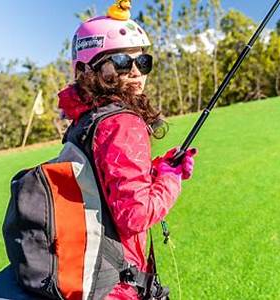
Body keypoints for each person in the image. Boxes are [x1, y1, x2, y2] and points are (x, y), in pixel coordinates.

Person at [57, 2, 198, 299]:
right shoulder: (121, 122)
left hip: (89, 272)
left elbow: (103, 184)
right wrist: (171, 179)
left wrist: (158, 168)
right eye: (120, 62)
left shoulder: (85, 119)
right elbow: (135, 215)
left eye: (142, 61)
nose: (135, 71)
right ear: (87, 71)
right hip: (115, 283)